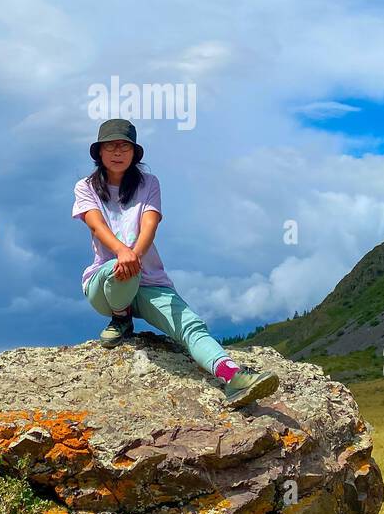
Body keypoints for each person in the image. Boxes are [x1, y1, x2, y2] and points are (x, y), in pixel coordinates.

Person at [71, 118, 279, 409]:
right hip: (103, 285)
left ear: (134, 153)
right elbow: (96, 225)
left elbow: (150, 224)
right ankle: (121, 317)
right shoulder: (86, 187)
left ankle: (232, 376)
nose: (117, 152)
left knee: (190, 325)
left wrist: (134, 254)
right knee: (119, 271)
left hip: (147, 280)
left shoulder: (148, 183)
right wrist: (122, 251)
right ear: (100, 152)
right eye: (110, 146)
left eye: (124, 146)